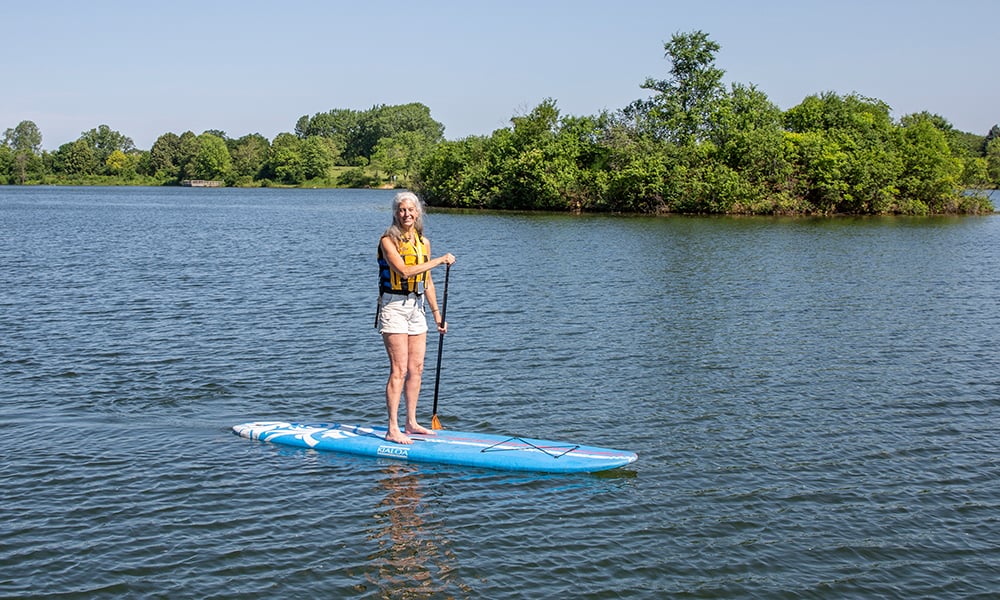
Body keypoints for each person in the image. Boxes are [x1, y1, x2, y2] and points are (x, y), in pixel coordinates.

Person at [376, 191, 456, 444]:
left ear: (418, 213)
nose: (406, 214)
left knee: (416, 369)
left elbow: (427, 282)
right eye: (401, 210)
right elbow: (405, 271)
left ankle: (411, 422)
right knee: (398, 369)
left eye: (411, 210)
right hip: (394, 306)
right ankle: (392, 427)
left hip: (417, 307)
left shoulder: (424, 242)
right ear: (395, 213)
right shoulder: (387, 240)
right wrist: (440, 260)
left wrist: (437, 315)